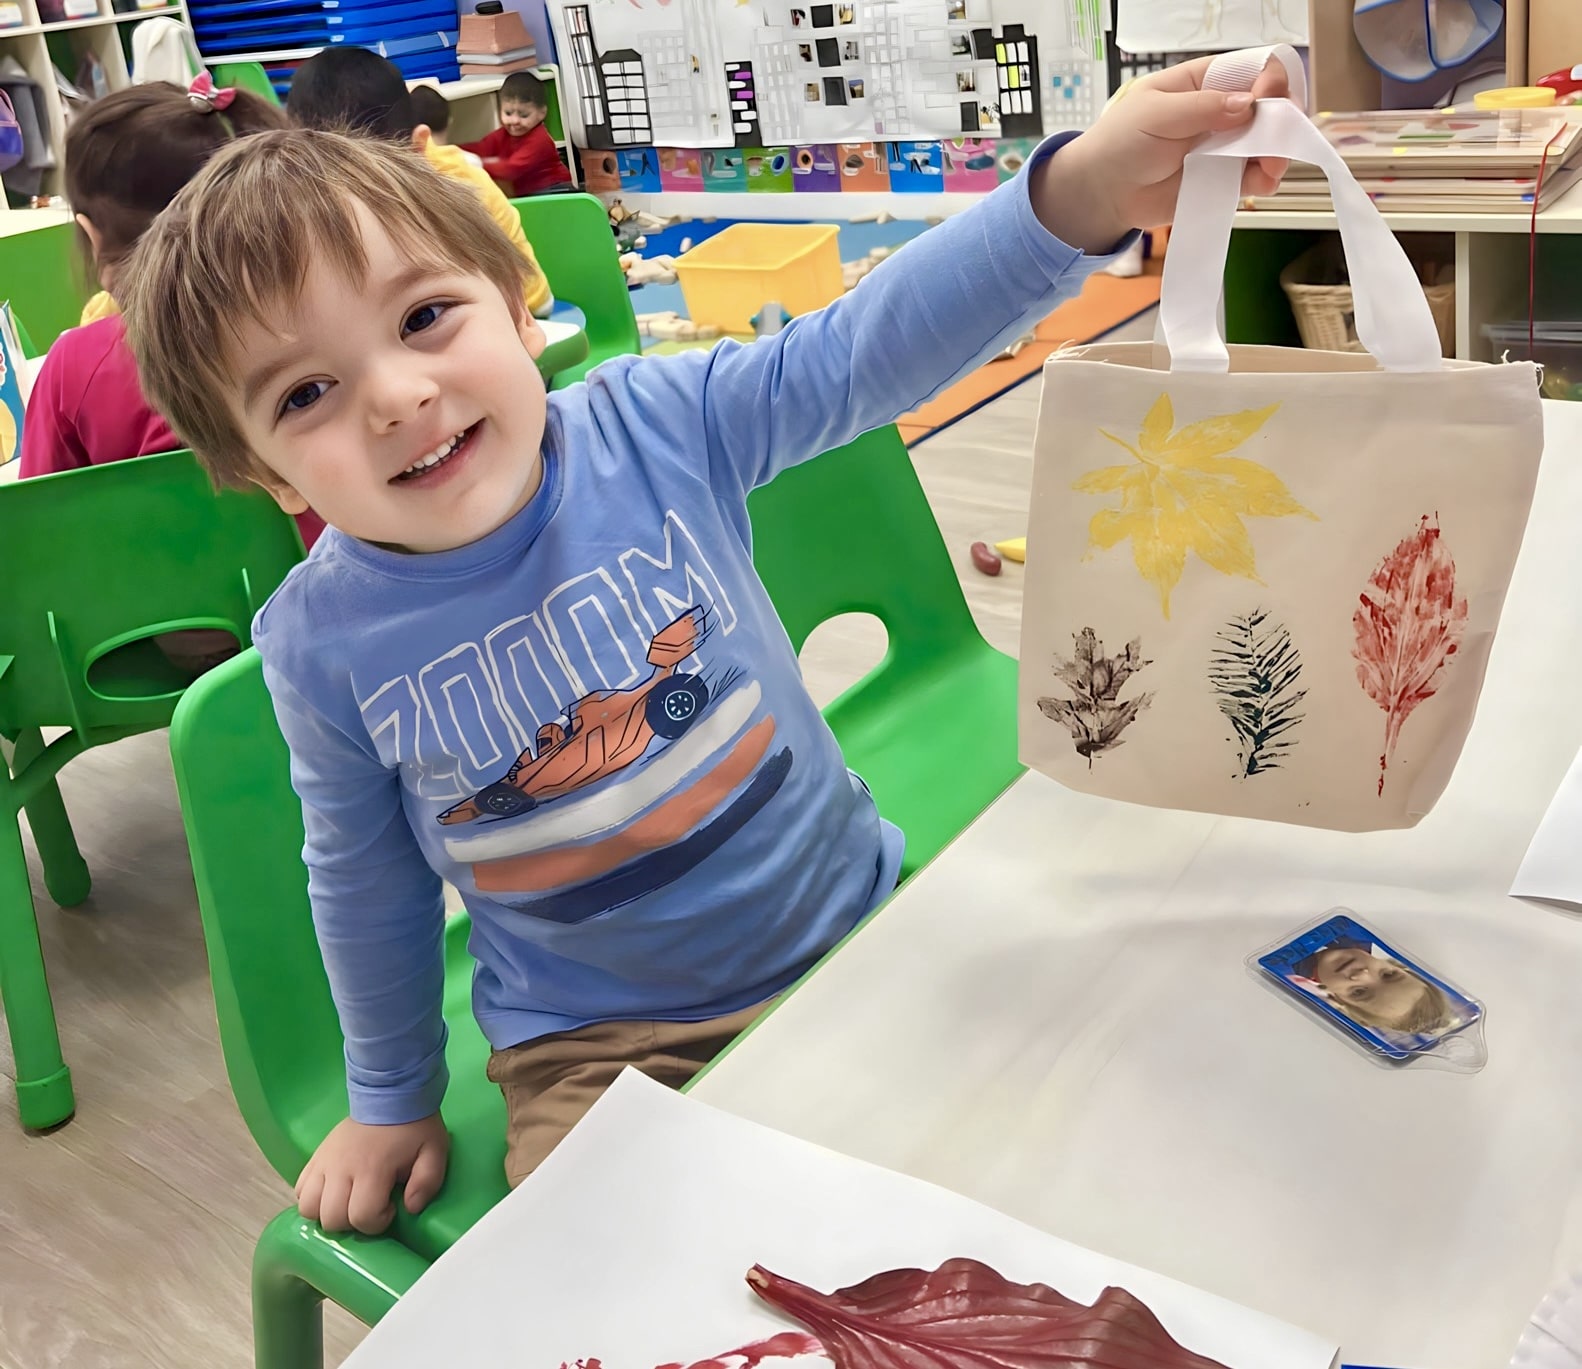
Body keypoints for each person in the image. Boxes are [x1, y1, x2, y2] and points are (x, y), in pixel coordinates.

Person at [119, 54, 1290, 1235]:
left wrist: (1080, 190)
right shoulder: (321, 642)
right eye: (304, 394)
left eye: (426, 318)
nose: (395, 395)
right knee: (631, 1259)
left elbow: (858, 351)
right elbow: (364, 882)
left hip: (850, 916)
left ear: (520, 308)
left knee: (1050, 1151)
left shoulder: (654, 423)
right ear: (266, 476)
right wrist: (389, 1096)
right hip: (600, 1044)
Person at [19, 77, 326, 549]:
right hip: (346, 598)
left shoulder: (75, 368)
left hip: (153, 618)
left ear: (92, 235)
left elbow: (39, 535)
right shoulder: (325, 325)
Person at [286, 47, 554, 317]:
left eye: (366, 177)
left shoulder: (458, 184)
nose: (353, 191)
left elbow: (535, 302)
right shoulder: (310, 203)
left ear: (417, 147)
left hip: (524, 317)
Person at [1295, 941, 1461, 1037]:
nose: (1363, 974)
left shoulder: (1287, 968)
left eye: (1359, 992)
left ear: (1338, 1000)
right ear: (1396, 965)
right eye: (1388, 975)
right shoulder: (1354, 931)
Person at [459, 70, 571, 198]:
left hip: (556, 190)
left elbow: (512, 169)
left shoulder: (539, 139)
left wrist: (477, 163)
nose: (515, 121)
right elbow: (482, 147)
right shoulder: (503, 134)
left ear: (542, 113)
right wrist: (451, 152)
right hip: (529, 193)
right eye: (508, 113)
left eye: (524, 115)